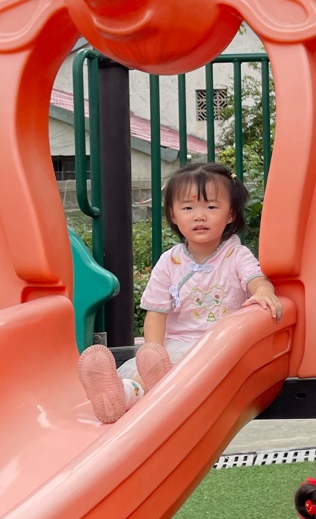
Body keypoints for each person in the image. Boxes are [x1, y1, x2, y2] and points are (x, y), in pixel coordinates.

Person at [77, 161, 282, 423]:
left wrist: (263, 291)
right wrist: (153, 352)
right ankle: (120, 394)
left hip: (221, 347)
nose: (199, 216)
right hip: (175, 348)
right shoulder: (169, 261)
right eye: (188, 208)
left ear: (230, 214)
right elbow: (156, 313)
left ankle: (140, 390)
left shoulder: (235, 254)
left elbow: (256, 279)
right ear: (173, 215)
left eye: (211, 207)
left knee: (182, 373)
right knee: (153, 371)